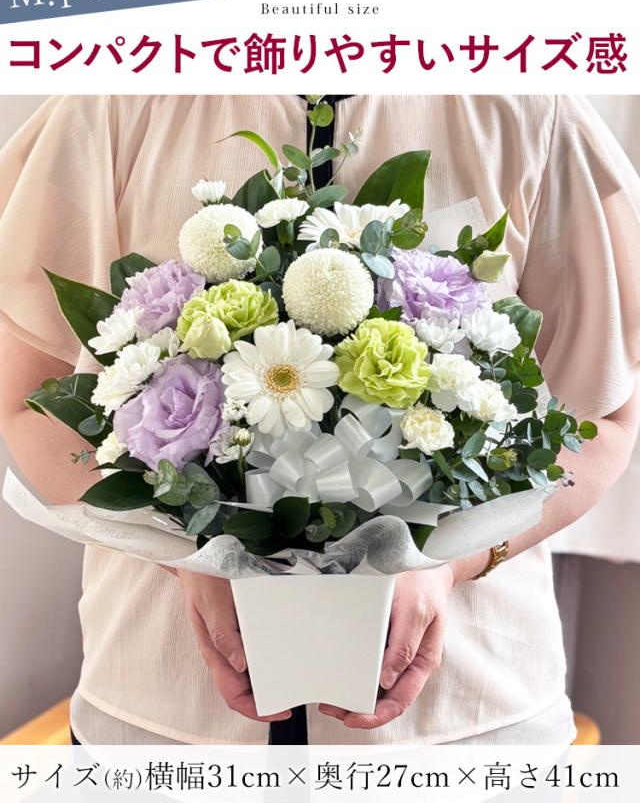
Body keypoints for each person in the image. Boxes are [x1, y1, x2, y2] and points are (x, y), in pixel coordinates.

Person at [0, 95, 639, 746]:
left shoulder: (531, 108)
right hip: (161, 721)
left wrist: (452, 562)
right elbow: (31, 401)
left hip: (465, 726)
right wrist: (186, 557)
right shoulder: (110, 103)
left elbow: (604, 417)